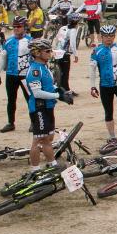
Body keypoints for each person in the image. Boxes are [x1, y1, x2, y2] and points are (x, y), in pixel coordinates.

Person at [23, 39, 74, 171]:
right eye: (47, 51)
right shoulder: (34, 70)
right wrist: (58, 96)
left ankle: (52, 164)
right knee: (39, 139)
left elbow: (50, 85)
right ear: (37, 53)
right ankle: (35, 169)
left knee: (49, 138)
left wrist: (61, 92)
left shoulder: (44, 67)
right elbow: (37, 92)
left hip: (48, 106)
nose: (50, 53)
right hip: (39, 108)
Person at [51, 13, 81, 92]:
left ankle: (58, 87)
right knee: (65, 72)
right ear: (77, 22)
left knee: (58, 71)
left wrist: (55, 49)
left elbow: (57, 38)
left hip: (57, 52)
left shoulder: (63, 27)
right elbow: (73, 44)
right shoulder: (73, 30)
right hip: (65, 53)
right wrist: (76, 55)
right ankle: (66, 89)